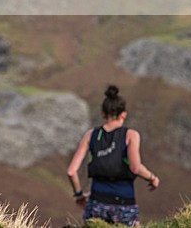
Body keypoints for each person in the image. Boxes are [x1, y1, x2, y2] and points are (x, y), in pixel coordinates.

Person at [67, 85, 160, 226]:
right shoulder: (131, 135)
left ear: (102, 114)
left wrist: (79, 195)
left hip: (96, 204)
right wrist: (152, 178)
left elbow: (71, 171)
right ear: (124, 114)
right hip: (124, 205)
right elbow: (135, 168)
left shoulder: (91, 135)